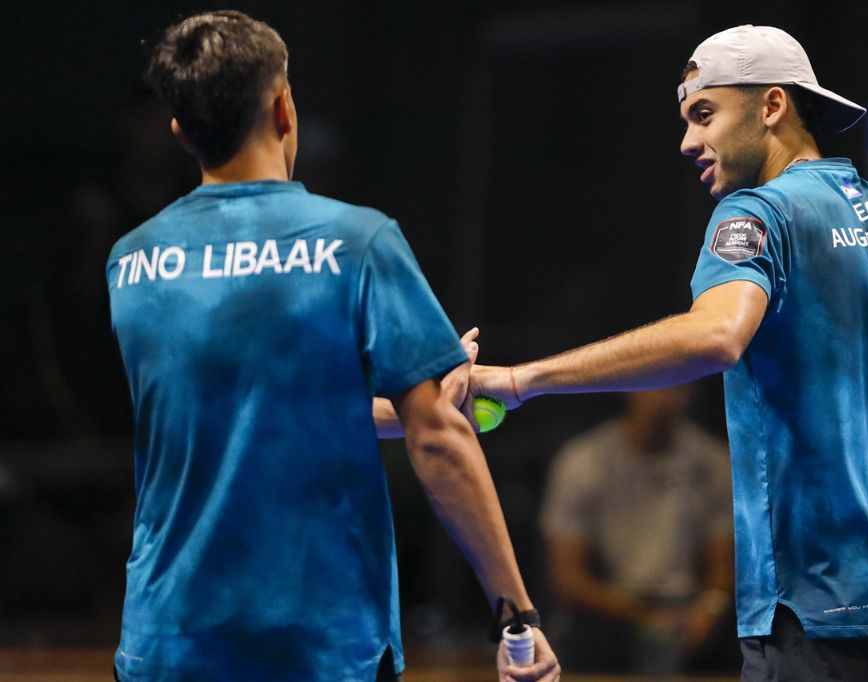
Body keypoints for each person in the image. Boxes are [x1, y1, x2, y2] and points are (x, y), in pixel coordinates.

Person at [470, 24, 868, 682]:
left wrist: (519, 379)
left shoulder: (756, 216)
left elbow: (714, 335)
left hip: (813, 613)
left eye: (703, 114)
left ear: (772, 106)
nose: (688, 141)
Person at [108, 11, 557, 682]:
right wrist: (515, 614)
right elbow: (438, 442)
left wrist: (411, 407)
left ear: (181, 131)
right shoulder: (358, 243)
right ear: (284, 107)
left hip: (167, 644)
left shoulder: (131, 263)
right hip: (320, 647)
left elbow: (249, 411)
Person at [540, 386, 735, 674]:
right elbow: (568, 579)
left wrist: (708, 609)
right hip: (613, 607)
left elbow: (724, 565)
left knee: (739, 634)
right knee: (589, 638)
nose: (664, 398)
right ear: (629, 389)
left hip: (690, 604)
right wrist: (645, 616)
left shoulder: (715, 461)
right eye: (654, 385)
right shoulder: (581, 461)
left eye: (676, 386)